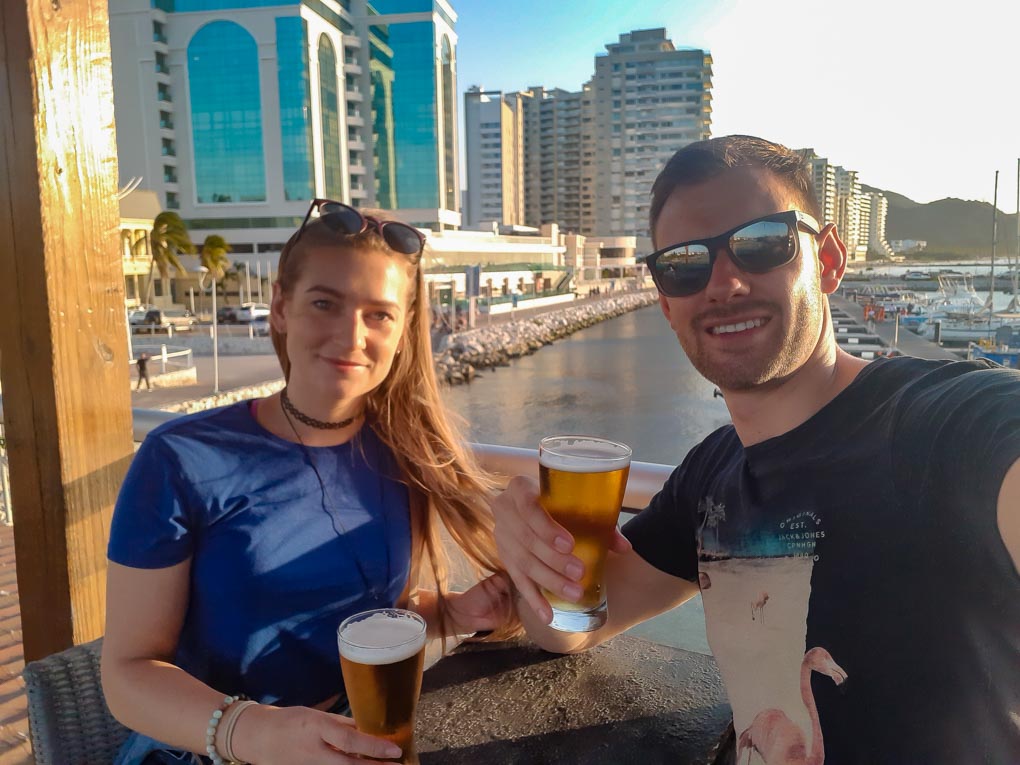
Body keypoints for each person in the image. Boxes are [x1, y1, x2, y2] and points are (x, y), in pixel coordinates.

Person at [493, 136, 1020, 763]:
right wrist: (535, 554)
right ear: (666, 302)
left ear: (827, 260)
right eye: (685, 263)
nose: (725, 283)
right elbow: (576, 628)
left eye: (762, 242)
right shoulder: (712, 475)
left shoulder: (949, 425)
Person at [103, 200, 518, 765]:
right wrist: (255, 732)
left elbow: (365, 622)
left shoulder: (404, 452)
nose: (351, 335)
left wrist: (452, 613)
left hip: (356, 741)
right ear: (280, 307)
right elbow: (127, 675)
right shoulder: (180, 458)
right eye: (325, 303)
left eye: (379, 314)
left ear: (401, 332)